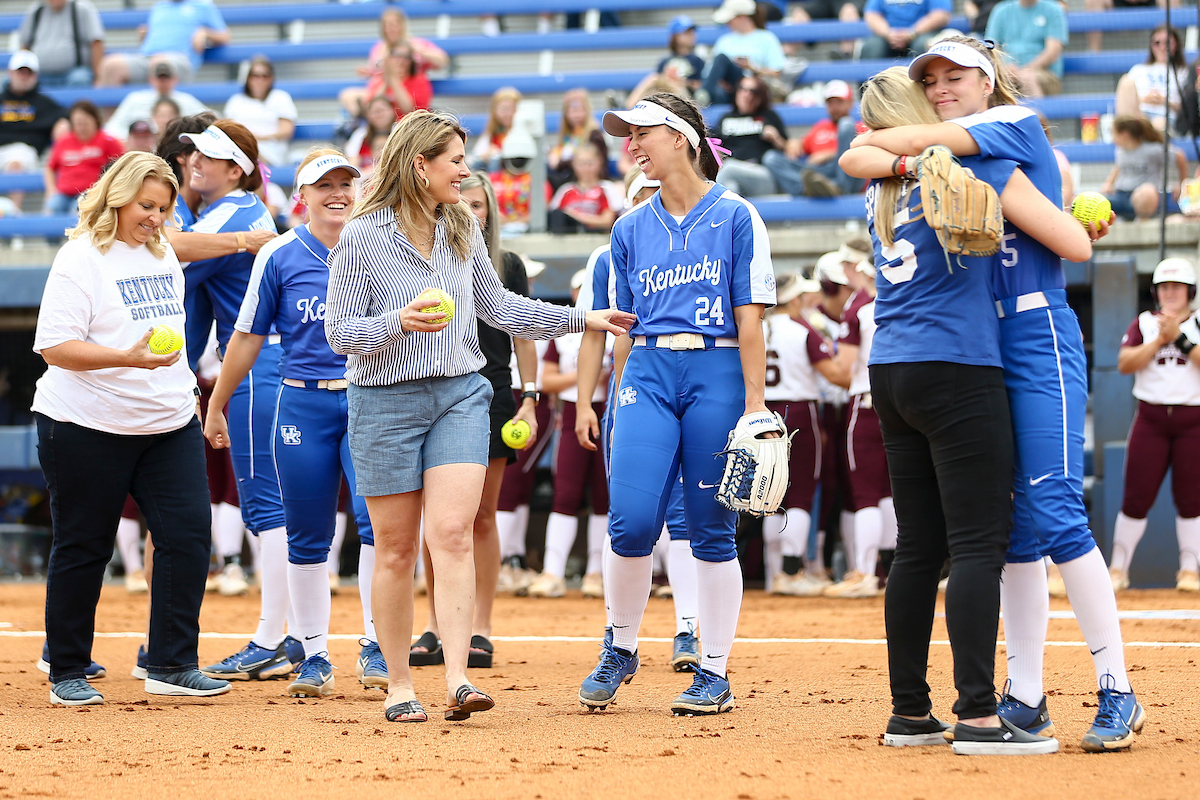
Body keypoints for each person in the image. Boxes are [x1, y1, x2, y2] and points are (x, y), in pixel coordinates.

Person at [845, 36, 1143, 753]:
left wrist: (1071, 219)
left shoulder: (1010, 126)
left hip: (1034, 331)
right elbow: (860, 156)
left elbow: (1075, 246)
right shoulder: (955, 160)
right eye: (933, 78)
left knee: (1056, 509)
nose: (943, 86)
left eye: (957, 75)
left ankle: (1117, 689)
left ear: (990, 81)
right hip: (978, 348)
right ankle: (1026, 694)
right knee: (1006, 533)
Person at [323, 110, 634, 723]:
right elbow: (339, 333)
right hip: (383, 399)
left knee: (454, 534)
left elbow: (499, 307)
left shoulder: (463, 224)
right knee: (392, 548)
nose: (467, 172)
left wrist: (583, 318)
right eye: (456, 161)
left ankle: (460, 677)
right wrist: (397, 323)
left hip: (462, 394)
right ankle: (399, 688)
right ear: (420, 164)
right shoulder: (361, 235)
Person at [573, 92, 776, 716]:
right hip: (650, 368)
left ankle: (712, 669)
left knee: (711, 527)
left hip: (716, 367)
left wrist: (756, 407)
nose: (629, 146)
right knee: (631, 519)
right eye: (626, 136)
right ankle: (621, 645)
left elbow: (750, 320)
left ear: (682, 137)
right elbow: (624, 326)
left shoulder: (737, 215)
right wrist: (617, 392)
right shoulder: (628, 227)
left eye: (641, 134)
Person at [32, 150, 233, 706]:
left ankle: (171, 662)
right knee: (84, 545)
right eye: (146, 206)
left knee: (188, 537)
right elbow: (54, 347)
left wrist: (188, 398)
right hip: (85, 422)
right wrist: (125, 358)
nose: (155, 218)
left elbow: (167, 336)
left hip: (167, 423)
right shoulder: (80, 259)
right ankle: (67, 669)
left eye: (165, 209)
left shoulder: (162, 251)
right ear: (117, 197)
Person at [203, 149, 385, 694]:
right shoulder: (280, 255)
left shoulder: (382, 248)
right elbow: (248, 336)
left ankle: (377, 643)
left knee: (380, 526)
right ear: (301, 196)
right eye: (323, 185)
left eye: (345, 184)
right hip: (302, 403)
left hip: (368, 399)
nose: (337, 194)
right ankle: (313, 653)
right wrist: (218, 402)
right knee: (308, 535)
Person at [410, 171, 541, 669]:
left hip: (493, 394)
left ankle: (481, 625)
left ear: (491, 212)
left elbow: (522, 331)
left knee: (480, 517)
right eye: (466, 200)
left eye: (482, 205)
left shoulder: (506, 265)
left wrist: (529, 398)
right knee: (435, 521)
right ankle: (436, 624)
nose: (472, 210)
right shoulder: (429, 255)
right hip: (433, 387)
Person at [1110, 257, 1200, 594]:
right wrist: (1159, 341)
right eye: (1164, 287)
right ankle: (1118, 569)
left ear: (1190, 291)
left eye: (1177, 287)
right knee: (1136, 496)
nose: (1170, 293)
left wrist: (1180, 339)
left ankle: (1190, 571)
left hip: (1193, 418)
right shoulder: (1145, 323)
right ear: (1156, 291)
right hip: (1151, 418)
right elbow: (1124, 363)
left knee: (1192, 499)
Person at [527, 273, 612, 598]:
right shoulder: (564, 332)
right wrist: (584, 375)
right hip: (574, 410)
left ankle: (596, 572)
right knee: (566, 494)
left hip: (609, 411)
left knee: (604, 497)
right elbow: (546, 381)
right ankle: (553, 570)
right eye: (581, 288)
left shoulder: (615, 323)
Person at [761, 273, 841, 596]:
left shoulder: (760, 328)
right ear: (794, 300)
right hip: (798, 411)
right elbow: (832, 372)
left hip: (763, 412)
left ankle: (774, 571)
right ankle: (791, 571)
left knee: (769, 496)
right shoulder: (801, 331)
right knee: (800, 493)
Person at [338, 6, 447, 118]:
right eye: (387, 25)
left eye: (394, 24)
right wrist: (369, 72)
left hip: (409, 88)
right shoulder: (379, 48)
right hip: (383, 88)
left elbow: (442, 61)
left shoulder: (415, 44)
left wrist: (416, 51)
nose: (391, 29)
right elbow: (377, 74)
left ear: (402, 25)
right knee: (348, 96)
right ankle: (364, 124)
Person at [763, 80, 862, 198]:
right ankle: (808, 189)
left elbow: (863, 153)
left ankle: (838, 187)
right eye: (830, 103)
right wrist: (793, 143)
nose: (834, 107)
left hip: (844, 174)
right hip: (819, 174)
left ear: (850, 103)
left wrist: (829, 154)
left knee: (845, 124)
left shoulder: (859, 127)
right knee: (771, 158)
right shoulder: (821, 126)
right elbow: (799, 147)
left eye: (839, 102)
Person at [95, 0, 229, 86]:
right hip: (147, 58)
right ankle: (109, 126)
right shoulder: (159, 7)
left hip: (179, 61)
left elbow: (225, 36)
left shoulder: (203, 5)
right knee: (110, 65)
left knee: (159, 64)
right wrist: (146, 35)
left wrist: (205, 32)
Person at [1, 51, 67, 212]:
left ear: (36, 76)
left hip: (24, 151)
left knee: (16, 160)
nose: (24, 76)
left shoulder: (44, 104)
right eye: (20, 71)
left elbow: (68, 117)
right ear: (11, 73)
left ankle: (13, 217)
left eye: (28, 72)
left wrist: (63, 124)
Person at [713, 75, 788, 198]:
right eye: (742, 89)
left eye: (752, 91)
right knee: (730, 189)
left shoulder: (768, 116)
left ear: (760, 97)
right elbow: (714, 146)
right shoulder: (726, 118)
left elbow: (786, 149)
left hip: (761, 173)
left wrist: (775, 138)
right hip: (733, 174)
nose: (745, 94)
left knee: (728, 168)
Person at [44, 100, 123, 215]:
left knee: (77, 211)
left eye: (85, 123)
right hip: (64, 193)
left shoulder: (108, 141)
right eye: (78, 124)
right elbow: (50, 168)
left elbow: (121, 165)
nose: (81, 128)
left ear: (95, 121)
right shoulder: (64, 141)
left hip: (92, 192)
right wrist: (51, 190)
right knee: (52, 208)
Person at [1100, 115, 1186, 221]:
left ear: (1124, 134)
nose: (1113, 139)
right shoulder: (1120, 151)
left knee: (1145, 199)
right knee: (1099, 202)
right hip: (1122, 195)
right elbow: (1119, 167)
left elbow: (1180, 156)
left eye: (1114, 134)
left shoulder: (1152, 150)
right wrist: (1109, 183)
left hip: (1144, 198)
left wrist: (1181, 183)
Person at [701, 0, 786, 105]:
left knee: (721, 59)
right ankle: (704, 95)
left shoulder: (767, 38)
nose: (728, 23)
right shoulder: (724, 40)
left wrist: (751, 67)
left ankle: (702, 94)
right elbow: (709, 72)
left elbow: (776, 71)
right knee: (718, 85)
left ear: (742, 17)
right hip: (729, 91)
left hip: (753, 88)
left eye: (730, 19)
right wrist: (721, 82)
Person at [103, 62, 208, 143]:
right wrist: (131, 139)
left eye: (166, 78)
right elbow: (112, 127)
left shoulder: (186, 100)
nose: (163, 82)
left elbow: (210, 118)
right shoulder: (136, 99)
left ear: (175, 79)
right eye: (160, 78)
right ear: (151, 79)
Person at [984, 0, 1068, 98]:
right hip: (1007, 71)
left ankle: (1037, 112)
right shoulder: (1001, 10)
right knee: (990, 81)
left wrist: (1025, 70)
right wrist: (1004, 69)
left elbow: (1053, 51)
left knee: (1027, 78)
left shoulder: (1053, 10)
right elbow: (991, 48)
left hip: (1044, 73)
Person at [223, 56, 297, 167]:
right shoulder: (235, 101)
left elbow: (287, 130)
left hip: (270, 154)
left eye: (265, 76)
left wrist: (257, 138)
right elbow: (228, 131)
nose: (260, 80)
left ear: (271, 78)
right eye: (255, 75)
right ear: (248, 78)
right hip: (239, 152)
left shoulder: (280, 98)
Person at [17, 0, 105, 88]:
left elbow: (96, 43)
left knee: (80, 79)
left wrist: (98, 78)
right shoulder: (35, 11)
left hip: (73, 73)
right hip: (40, 76)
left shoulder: (82, 9)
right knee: (12, 83)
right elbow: (25, 46)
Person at [1115, 25, 1187, 131]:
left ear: (1176, 44)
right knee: (1125, 82)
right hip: (1139, 116)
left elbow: (1188, 108)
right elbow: (1125, 101)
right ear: (1151, 45)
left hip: (1166, 118)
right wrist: (1144, 100)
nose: (1162, 47)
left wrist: (1165, 101)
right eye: (1157, 43)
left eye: (1167, 43)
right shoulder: (1138, 70)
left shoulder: (1183, 72)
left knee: (1159, 123)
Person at [547, 142, 620, 233]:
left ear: (599, 162)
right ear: (573, 164)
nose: (585, 168)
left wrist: (577, 216)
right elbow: (553, 216)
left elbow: (607, 221)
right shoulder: (565, 190)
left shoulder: (607, 188)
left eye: (590, 163)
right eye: (581, 163)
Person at [548, 88, 608, 191]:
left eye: (580, 110)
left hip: (587, 182)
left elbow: (594, 163)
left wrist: (559, 163)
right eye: (572, 111)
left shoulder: (594, 135)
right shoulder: (568, 136)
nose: (576, 115)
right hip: (568, 180)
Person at [860, 0, 952, 60]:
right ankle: (869, 89)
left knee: (923, 45)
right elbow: (872, 14)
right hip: (887, 35)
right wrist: (888, 34)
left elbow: (940, 15)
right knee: (871, 47)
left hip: (922, 34)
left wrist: (912, 33)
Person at [346, 95, 399, 181]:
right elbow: (353, 165)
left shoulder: (401, 132)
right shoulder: (360, 135)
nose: (379, 114)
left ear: (392, 111)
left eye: (382, 110)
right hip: (365, 181)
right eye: (375, 111)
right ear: (367, 115)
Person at [471, 87, 522, 173]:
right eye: (504, 109)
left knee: (496, 159)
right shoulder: (493, 132)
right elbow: (478, 153)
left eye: (513, 109)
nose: (509, 114)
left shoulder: (523, 131)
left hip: (517, 171)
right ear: (495, 111)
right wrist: (487, 154)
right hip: (496, 171)